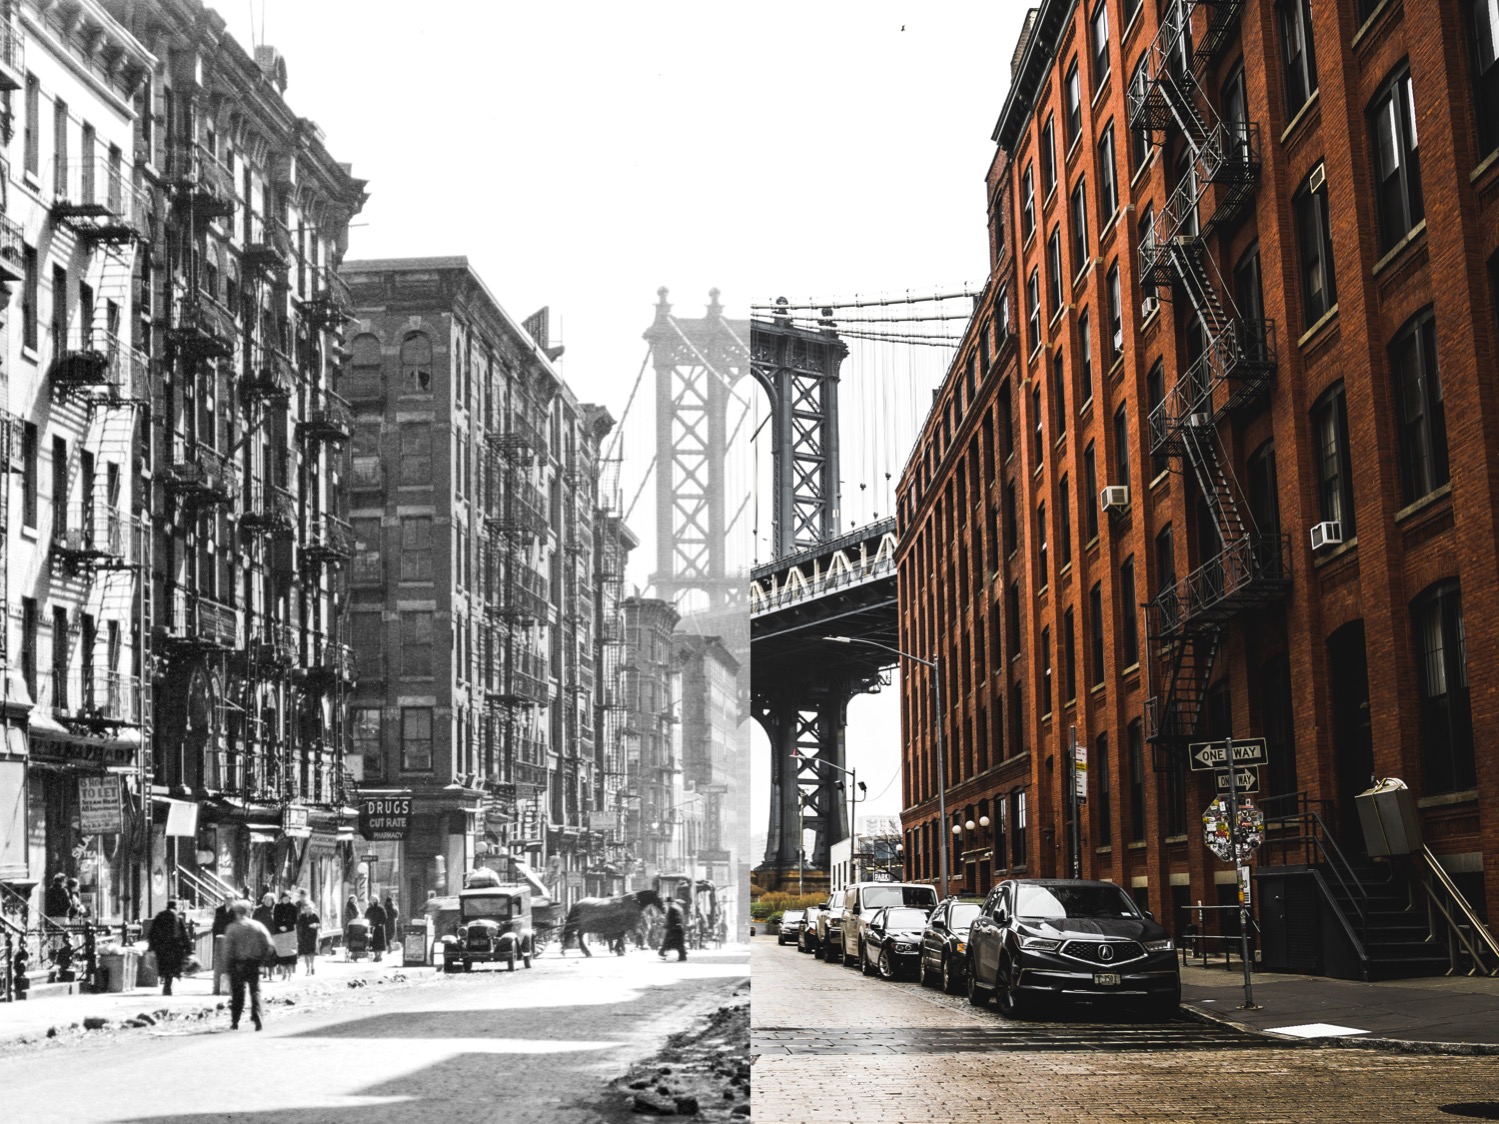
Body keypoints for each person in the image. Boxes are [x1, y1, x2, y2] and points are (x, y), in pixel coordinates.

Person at [222, 899, 274, 1031]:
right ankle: (257, 1018)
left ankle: (235, 1021)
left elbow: (227, 950)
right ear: (248, 912)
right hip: (253, 963)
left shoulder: (232, 928)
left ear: (236, 913)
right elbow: (270, 945)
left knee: (238, 993)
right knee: (255, 991)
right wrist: (261, 959)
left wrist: (226, 967)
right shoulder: (257, 926)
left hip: (237, 964)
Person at [148, 899, 193, 996]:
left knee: (164, 965)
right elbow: (184, 934)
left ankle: (165, 984)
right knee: (171, 967)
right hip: (174, 946)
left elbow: (152, 932)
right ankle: (167, 986)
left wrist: (151, 946)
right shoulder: (177, 917)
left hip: (161, 947)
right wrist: (189, 949)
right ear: (175, 907)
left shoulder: (159, 916)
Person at [272, 891, 299, 980]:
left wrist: (287, 927)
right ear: (281, 898)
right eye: (284, 898)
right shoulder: (277, 906)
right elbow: (275, 918)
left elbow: (295, 919)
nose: (286, 900)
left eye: (287, 898)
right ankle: (283, 973)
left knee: (290, 953)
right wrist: (280, 926)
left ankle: (290, 973)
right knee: (281, 952)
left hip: (290, 931)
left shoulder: (293, 907)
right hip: (279, 931)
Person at [253, 894, 277, 981]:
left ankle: (270, 973)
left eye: (270, 900)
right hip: (261, 934)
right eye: (266, 900)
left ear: (272, 901)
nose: (268, 902)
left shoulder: (275, 910)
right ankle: (263, 972)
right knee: (262, 953)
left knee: (272, 954)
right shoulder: (258, 909)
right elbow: (254, 921)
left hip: (272, 934)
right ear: (263, 900)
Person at [296, 898, 321, 976]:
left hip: (312, 936)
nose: (307, 910)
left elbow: (319, 924)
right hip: (304, 936)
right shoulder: (302, 916)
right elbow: (299, 925)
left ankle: (312, 966)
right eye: (306, 908)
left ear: (311, 908)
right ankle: (308, 969)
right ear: (304, 909)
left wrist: (315, 925)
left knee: (312, 953)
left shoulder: (314, 915)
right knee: (306, 953)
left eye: (309, 908)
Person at [659, 896, 688, 962]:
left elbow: (670, 919)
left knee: (667, 942)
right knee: (679, 943)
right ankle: (682, 956)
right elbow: (681, 918)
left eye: (666, 903)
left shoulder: (671, 908)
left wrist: (666, 925)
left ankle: (661, 953)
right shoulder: (679, 908)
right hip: (679, 927)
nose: (666, 904)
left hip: (673, 928)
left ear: (669, 902)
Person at [365, 896, 389, 963]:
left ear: (377, 900)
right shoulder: (369, 909)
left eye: (374, 899)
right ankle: (376, 956)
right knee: (374, 942)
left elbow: (385, 917)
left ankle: (380, 956)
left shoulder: (380, 908)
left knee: (380, 942)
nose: (373, 901)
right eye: (372, 899)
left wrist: (381, 923)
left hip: (380, 927)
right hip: (372, 927)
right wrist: (368, 923)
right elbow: (366, 916)